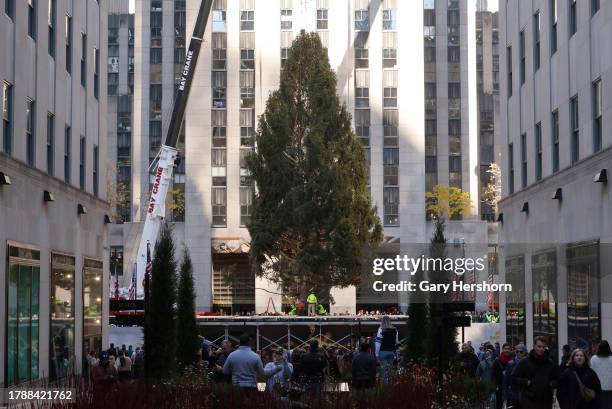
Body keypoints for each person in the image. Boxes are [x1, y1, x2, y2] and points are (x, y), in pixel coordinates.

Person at [511, 336, 560, 409]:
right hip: (529, 399)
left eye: (543, 347)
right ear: (534, 346)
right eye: (539, 346)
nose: (541, 349)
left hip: (545, 400)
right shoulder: (525, 361)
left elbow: (557, 379)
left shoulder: (550, 363)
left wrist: (550, 383)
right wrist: (526, 382)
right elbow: (513, 377)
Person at [375, 315, 399, 384]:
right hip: (391, 352)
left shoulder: (381, 329)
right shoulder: (395, 330)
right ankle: (391, 385)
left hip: (382, 352)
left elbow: (378, 343)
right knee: (390, 370)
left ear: (382, 321)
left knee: (384, 371)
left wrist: (376, 354)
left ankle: (385, 387)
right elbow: (396, 342)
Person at [504, 344, 528, 409]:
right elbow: (506, 380)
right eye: (517, 351)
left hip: (525, 394)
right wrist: (505, 396)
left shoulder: (528, 363)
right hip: (512, 395)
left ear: (525, 352)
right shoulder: (510, 364)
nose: (519, 353)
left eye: (521, 351)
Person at [590, 340, 612, 407]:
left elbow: (591, 372)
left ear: (599, 348)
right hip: (610, 387)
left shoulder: (594, 358)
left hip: (597, 388)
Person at [492, 343, 514, 409]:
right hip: (500, 387)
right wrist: (495, 385)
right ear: (502, 350)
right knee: (499, 404)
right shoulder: (497, 361)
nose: (507, 350)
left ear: (510, 350)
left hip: (511, 387)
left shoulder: (514, 361)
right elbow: (493, 374)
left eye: (508, 349)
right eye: (505, 349)